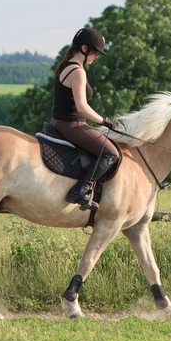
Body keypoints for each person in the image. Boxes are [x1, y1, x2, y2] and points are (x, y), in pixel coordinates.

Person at [50, 27, 120, 210]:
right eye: (95, 52)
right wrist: (104, 121)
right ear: (84, 48)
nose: (96, 57)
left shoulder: (65, 65)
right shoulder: (78, 71)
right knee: (111, 153)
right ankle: (80, 190)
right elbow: (82, 107)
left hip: (60, 123)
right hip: (72, 125)